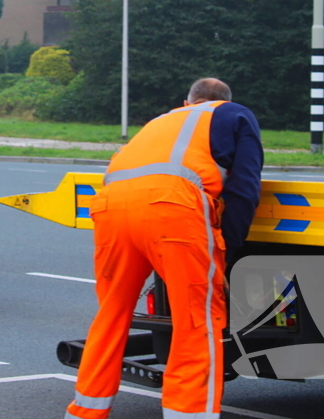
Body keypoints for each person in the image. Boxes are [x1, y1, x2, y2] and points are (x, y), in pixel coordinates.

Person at [65, 78, 263, 419]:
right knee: (196, 320)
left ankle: (85, 410)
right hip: (171, 208)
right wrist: (226, 251)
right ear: (224, 100)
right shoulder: (234, 115)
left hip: (110, 207)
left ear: (187, 102)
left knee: (111, 314)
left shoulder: (161, 120)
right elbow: (244, 187)